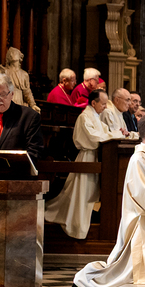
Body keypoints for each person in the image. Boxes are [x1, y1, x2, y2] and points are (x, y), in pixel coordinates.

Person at [70, 115, 145, 287]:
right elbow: (144, 191)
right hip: (141, 220)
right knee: (123, 268)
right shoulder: (139, 159)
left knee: (136, 268)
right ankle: (86, 278)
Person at [45, 90, 124, 239]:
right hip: (87, 156)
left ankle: (84, 223)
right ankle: (77, 225)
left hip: (96, 156)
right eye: (103, 104)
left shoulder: (95, 116)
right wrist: (114, 134)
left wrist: (117, 132)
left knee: (89, 193)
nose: (105, 107)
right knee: (83, 192)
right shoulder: (84, 117)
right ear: (93, 103)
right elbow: (93, 137)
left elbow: (104, 131)